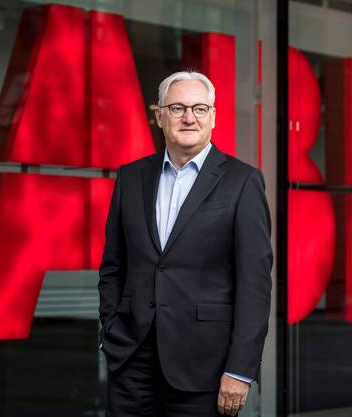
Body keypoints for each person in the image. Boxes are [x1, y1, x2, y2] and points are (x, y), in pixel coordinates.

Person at [98, 71, 272, 417]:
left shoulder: (242, 181)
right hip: (131, 359)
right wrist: (111, 332)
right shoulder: (131, 177)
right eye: (177, 108)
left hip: (204, 366)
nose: (189, 117)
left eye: (200, 108)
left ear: (213, 117)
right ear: (159, 115)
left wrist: (239, 370)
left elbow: (254, 285)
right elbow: (114, 266)